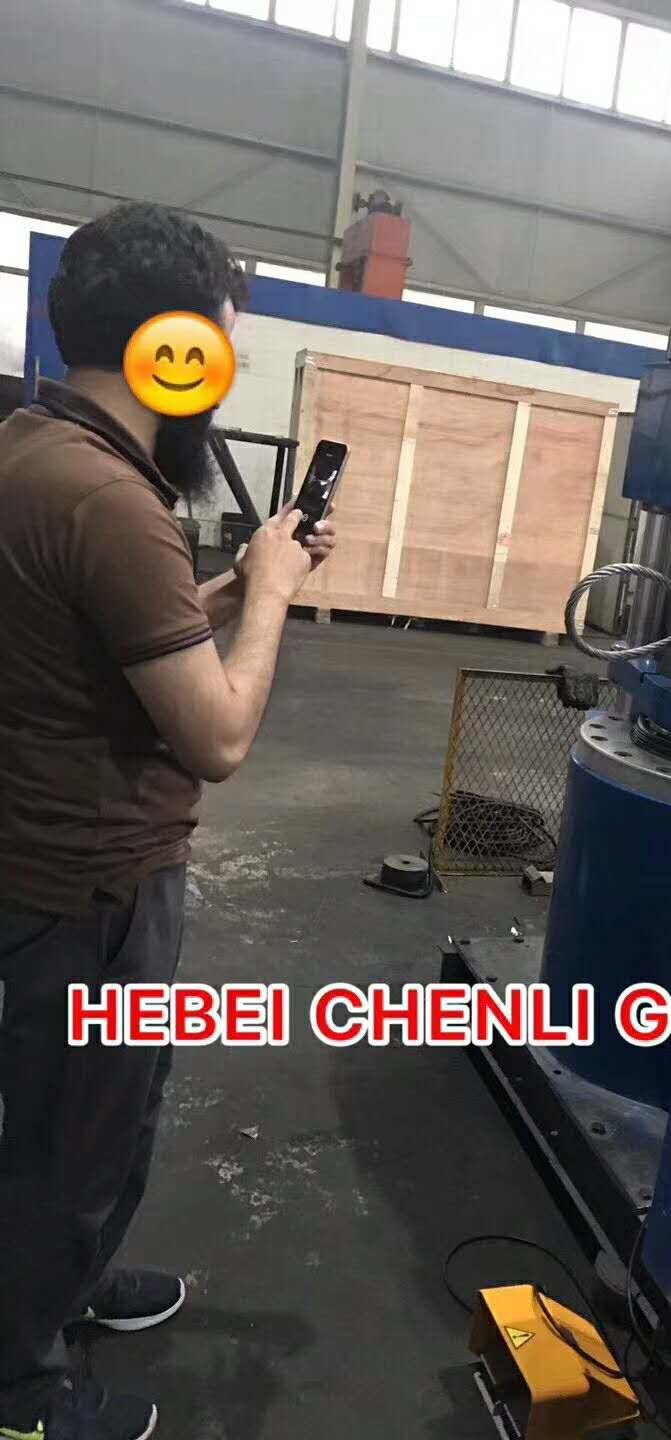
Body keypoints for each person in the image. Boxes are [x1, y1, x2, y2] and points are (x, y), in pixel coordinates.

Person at [0, 204, 336, 1440]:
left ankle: (65, 1285)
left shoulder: (34, 449)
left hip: (46, 873)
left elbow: (120, 634)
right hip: (90, 891)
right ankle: (20, 1393)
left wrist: (234, 583)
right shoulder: (112, 502)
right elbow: (219, 737)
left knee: (82, 1123)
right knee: (73, 1142)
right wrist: (277, 598)